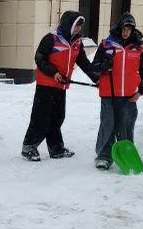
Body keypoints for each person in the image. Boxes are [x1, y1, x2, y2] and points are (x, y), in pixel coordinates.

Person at [21, 10, 96, 162]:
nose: (79, 29)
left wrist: (97, 79)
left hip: (61, 85)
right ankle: (29, 146)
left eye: (80, 26)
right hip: (46, 84)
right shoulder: (51, 39)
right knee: (41, 117)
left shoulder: (76, 43)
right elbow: (40, 58)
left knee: (57, 117)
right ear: (69, 25)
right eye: (77, 26)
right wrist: (53, 72)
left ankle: (56, 148)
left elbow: (84, 63)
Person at [88, 12, 143, 170]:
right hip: (109, 93)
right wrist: (104, 65)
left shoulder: (139, 46)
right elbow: (94, 67)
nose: (126, 32)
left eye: (129, 29)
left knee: (126, 126)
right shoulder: (107, 44)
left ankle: (127, 155)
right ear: (119, 28)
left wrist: (141, 90)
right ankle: (104, 156)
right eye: (124, 28)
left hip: (129, 95)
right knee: (107, 124)